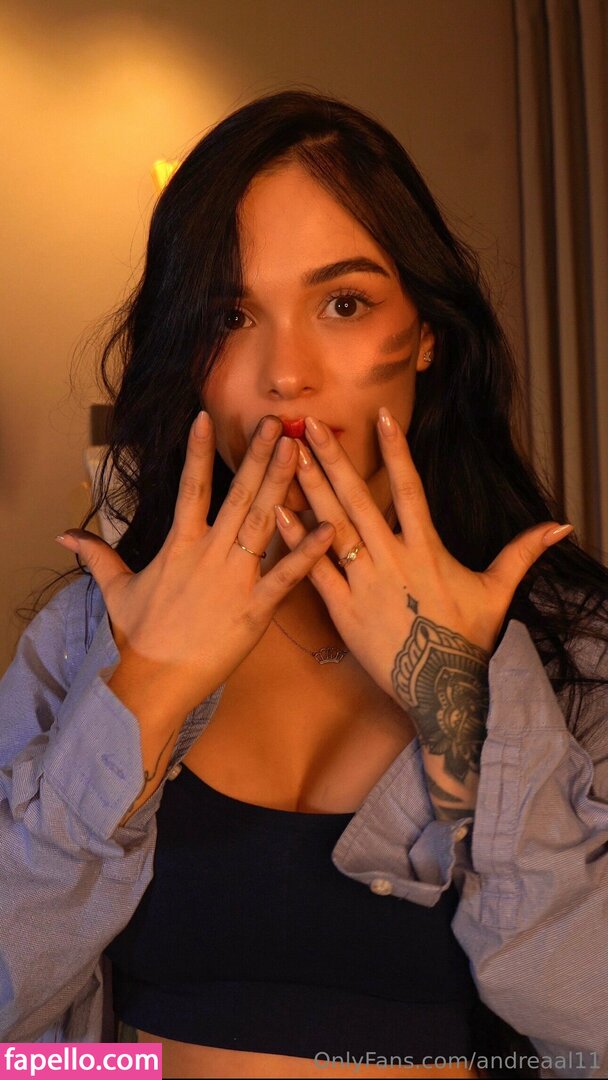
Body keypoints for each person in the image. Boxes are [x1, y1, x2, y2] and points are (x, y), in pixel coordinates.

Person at [1, 90, 607, 1080]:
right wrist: (140, 695)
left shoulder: (568, 649)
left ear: (426, 332)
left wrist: (463, 715)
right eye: (230, 315)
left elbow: (591, 1028)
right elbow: (12, 1020)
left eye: (343, 304)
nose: (286, 373)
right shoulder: (89, 636)